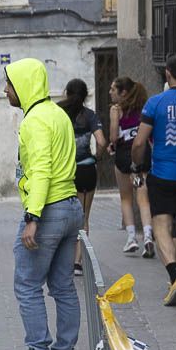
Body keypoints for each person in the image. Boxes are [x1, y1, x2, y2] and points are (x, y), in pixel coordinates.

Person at [1, 58, 83, 350]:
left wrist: (32, 217)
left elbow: (42, 170)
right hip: (71, 208)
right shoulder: (58, 114)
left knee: (27, 284)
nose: (6, 90)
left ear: (23, 86)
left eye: (9, 84)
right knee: (63, 286)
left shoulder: (34, 121)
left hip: (47, 210)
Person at [131, 53, 176, 307]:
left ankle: (175, 277)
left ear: (168, 74)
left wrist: (138, 164)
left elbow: (140, 141)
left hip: (163, 174)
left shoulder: (155, 103)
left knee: (161, 223)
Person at [59, 78, 108, 276]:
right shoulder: (90, 116)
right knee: (83, 217)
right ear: (86, 95)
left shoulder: (59, 112)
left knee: (63, 214)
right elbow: (102, 141)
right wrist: (96, 157)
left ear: (66, 92)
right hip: (86, 170)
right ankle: (77, 262)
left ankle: (63, 258)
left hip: (65, 171)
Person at [108, 76, 154, 257]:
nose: (110, 92)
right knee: (143, 198)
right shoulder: (144, 109)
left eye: (113, 89)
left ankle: (132, 238)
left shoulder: (116, 110)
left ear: (123, 93)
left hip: (124, 157)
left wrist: (114, 136)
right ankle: (148, 236)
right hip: (142, 156)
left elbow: (113, 137)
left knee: (126, 198)